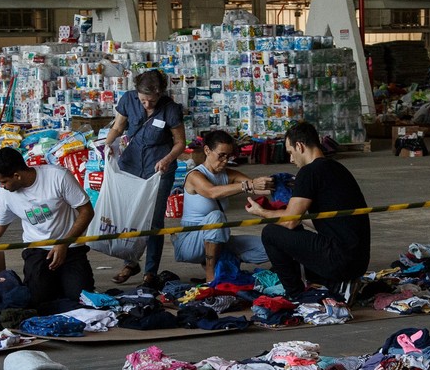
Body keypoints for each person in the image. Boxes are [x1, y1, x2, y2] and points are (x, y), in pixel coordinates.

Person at [245, 121, 370, 301]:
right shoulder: (337, 168)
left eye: (290, 152)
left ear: (300, 146)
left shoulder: (309, 172)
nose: (291, 159)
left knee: (271, 232)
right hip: (358, 261)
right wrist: (293, 214)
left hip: (340, 259)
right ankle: (338, 283)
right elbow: (322, 222)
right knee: (294, 234)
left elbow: (289, 221)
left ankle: (296, 296)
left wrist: (262, 212)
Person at [0, 146, 95, 309]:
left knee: (81, 300)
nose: (2, 187)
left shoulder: (58, 176)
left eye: (4, 182)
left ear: (17, 175)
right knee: (37, 301)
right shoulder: (5, 194)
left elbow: (86, 211)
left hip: (71, 247)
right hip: (37, 249)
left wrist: (64, 243)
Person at [103, 68, 186, 287]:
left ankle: (150, 271)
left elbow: (180, 143)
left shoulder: (170, 109)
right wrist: (107, 146)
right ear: (136, 93)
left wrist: (168, 159)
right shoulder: (128, 100)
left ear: (160, 95)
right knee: (130, 217)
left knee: (154, 221)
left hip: (159, 169)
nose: (147, 105)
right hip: (130, 165)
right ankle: (130, 262)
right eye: (142, 100)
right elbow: (118, 127)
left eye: (151, 101)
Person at [175, 129, 272, 280]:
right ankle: (210, 275)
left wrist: (277, 185)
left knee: (269, 246)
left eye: (229, 156)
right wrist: (246, 185)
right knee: (216, 216)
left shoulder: (228, 174)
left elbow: (255, 187)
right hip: (190, 242)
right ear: (207, 150)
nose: (225, 160)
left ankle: (225, 262)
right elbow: (213, 192)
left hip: (217, 237)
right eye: (221, 156)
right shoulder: (195, 175)